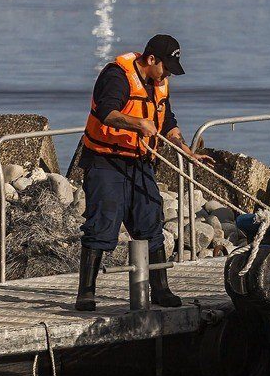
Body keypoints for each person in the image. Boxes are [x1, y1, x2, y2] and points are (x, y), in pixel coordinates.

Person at [75, 33, 206, 311]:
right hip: (105, 161)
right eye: (166, 67)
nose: (167, 74)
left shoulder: (159, 84)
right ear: (151, 59)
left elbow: (167, 119)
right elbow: (106, 113)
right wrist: (138, 124)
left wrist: (184, 148)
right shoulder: (116, 76)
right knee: (102, 223)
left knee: (150, 221)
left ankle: (160, 289)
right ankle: (86, 293)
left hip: (140, 162)